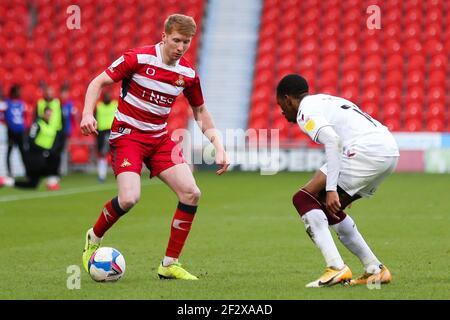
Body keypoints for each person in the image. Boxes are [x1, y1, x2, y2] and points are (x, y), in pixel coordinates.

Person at [80, 14, 229, 280]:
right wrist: (87, 114)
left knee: (191, 192)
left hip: (159, 139)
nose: (180, 47)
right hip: (128, 136)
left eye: (186, 42)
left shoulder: (187, 75)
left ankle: (169, 263)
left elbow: (200, 111)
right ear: (164, 37)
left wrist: (218, 145)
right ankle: (95, 235)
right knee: (129, 198)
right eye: (176, 40)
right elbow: (97, 82)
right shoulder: (137, 59)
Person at [276, 74, 399, 288]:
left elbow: (333, 141)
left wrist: (332, 188)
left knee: (303, 198)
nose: (282, 111)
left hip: (366, 151)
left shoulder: (305, 110)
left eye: (281, 105)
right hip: (388, 150)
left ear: (288, 99)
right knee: (327, 207)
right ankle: (375, 270)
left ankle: (336, 268)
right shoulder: (325, 100)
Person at [0, 106, 57, 189]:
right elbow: (31, 140)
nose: (49, 116)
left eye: (50, 114)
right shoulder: (37, 124)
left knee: (33, 184)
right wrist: (43, 150)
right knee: (35, 181)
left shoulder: (51, 126)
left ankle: (6, 181)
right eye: (47, 114)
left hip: (43, 155)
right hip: (34, 156)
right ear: (43, 114)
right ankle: (51, 182)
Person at [36, 86, 64, 190]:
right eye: (48, 92)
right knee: (45, 156)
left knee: (55, 155)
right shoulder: (40, 103)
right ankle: (46, 177)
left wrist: (62, 132)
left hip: (56, 132)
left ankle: (53, 177)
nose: (49, 94)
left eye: (51, 92)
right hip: (44, 132)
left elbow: (61, 117)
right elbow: (36, 117)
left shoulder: (57, 102)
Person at [94, 91, 118, 182]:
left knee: (117, 153)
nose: (108, 97)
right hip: (102, 133)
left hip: (114, 131)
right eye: (106, 96)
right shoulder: (99, 106)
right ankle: (101, 175)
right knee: (102, 154)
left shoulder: (115, 104)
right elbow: (95, 118)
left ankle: (119, 173)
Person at [4, 85, 26, 177]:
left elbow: (24, 116)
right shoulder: (7, 103)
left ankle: (27, 171)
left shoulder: (21, 104)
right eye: (18, 91)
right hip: (11, 132)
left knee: (23, 152)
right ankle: (9, 172)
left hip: (20, 132)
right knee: (9, 151)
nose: (19, 93)